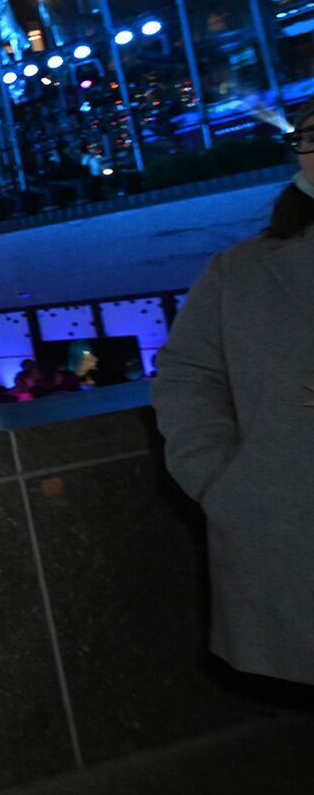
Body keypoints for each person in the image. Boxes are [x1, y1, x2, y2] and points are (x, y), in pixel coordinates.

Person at [153, 102, 314, 686]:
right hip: (289, 523)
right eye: (310, 135)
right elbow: (188, 375)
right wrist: (222, 481)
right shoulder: (241, 271)